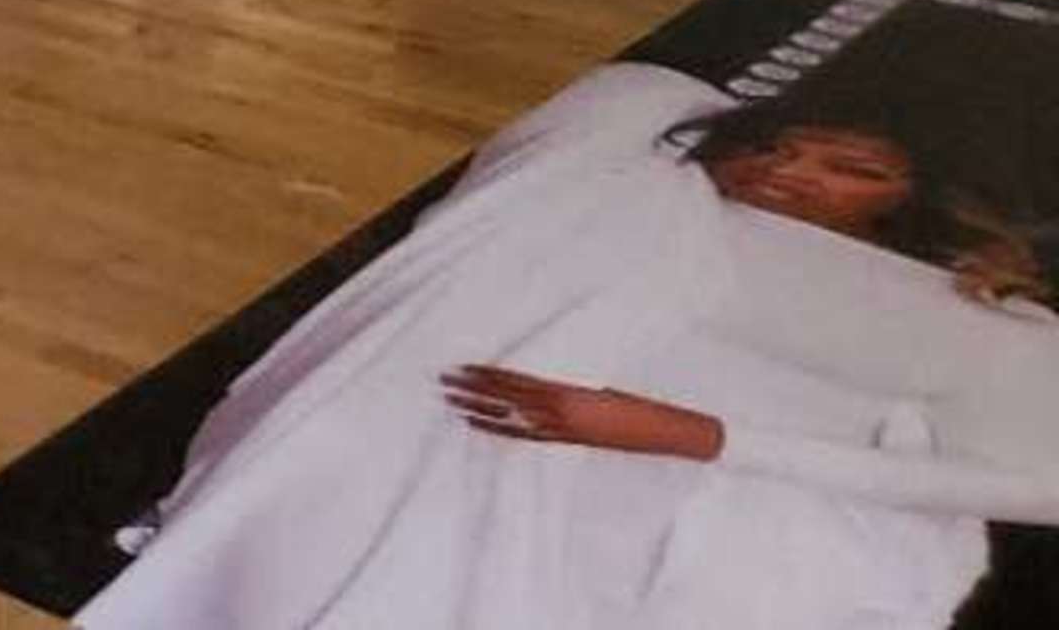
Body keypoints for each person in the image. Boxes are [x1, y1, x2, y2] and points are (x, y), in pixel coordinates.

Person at [80, 53, 1059, 625]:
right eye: (774, 149)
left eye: (850, 168)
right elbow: (624, 92)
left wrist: (680, 434)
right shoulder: (641, 198)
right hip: (593, 397)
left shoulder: (968, 311)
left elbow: (1038, 485)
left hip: (750, 447)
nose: (790, 172)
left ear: (915, 197)